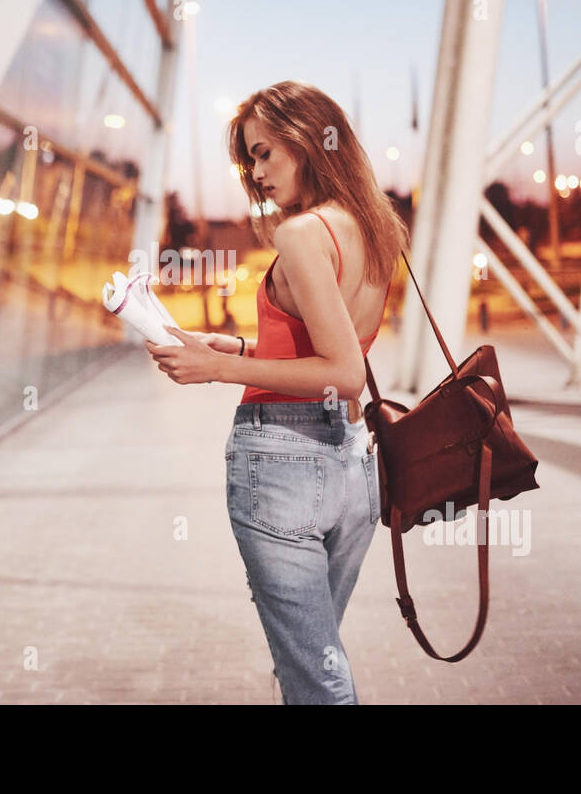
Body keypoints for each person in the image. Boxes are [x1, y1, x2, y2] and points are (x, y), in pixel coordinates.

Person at [145, 80, 409, 704]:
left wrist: (218, 373)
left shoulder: (300, 233)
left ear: (308, 139)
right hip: (352, 467)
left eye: (265, 153)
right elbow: (328, 348)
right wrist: (233, 348)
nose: (256, 171)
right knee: (313, 659)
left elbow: (342, 369)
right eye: (249, 159)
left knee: (315, 678)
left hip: (283, 465)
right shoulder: (377, 229)